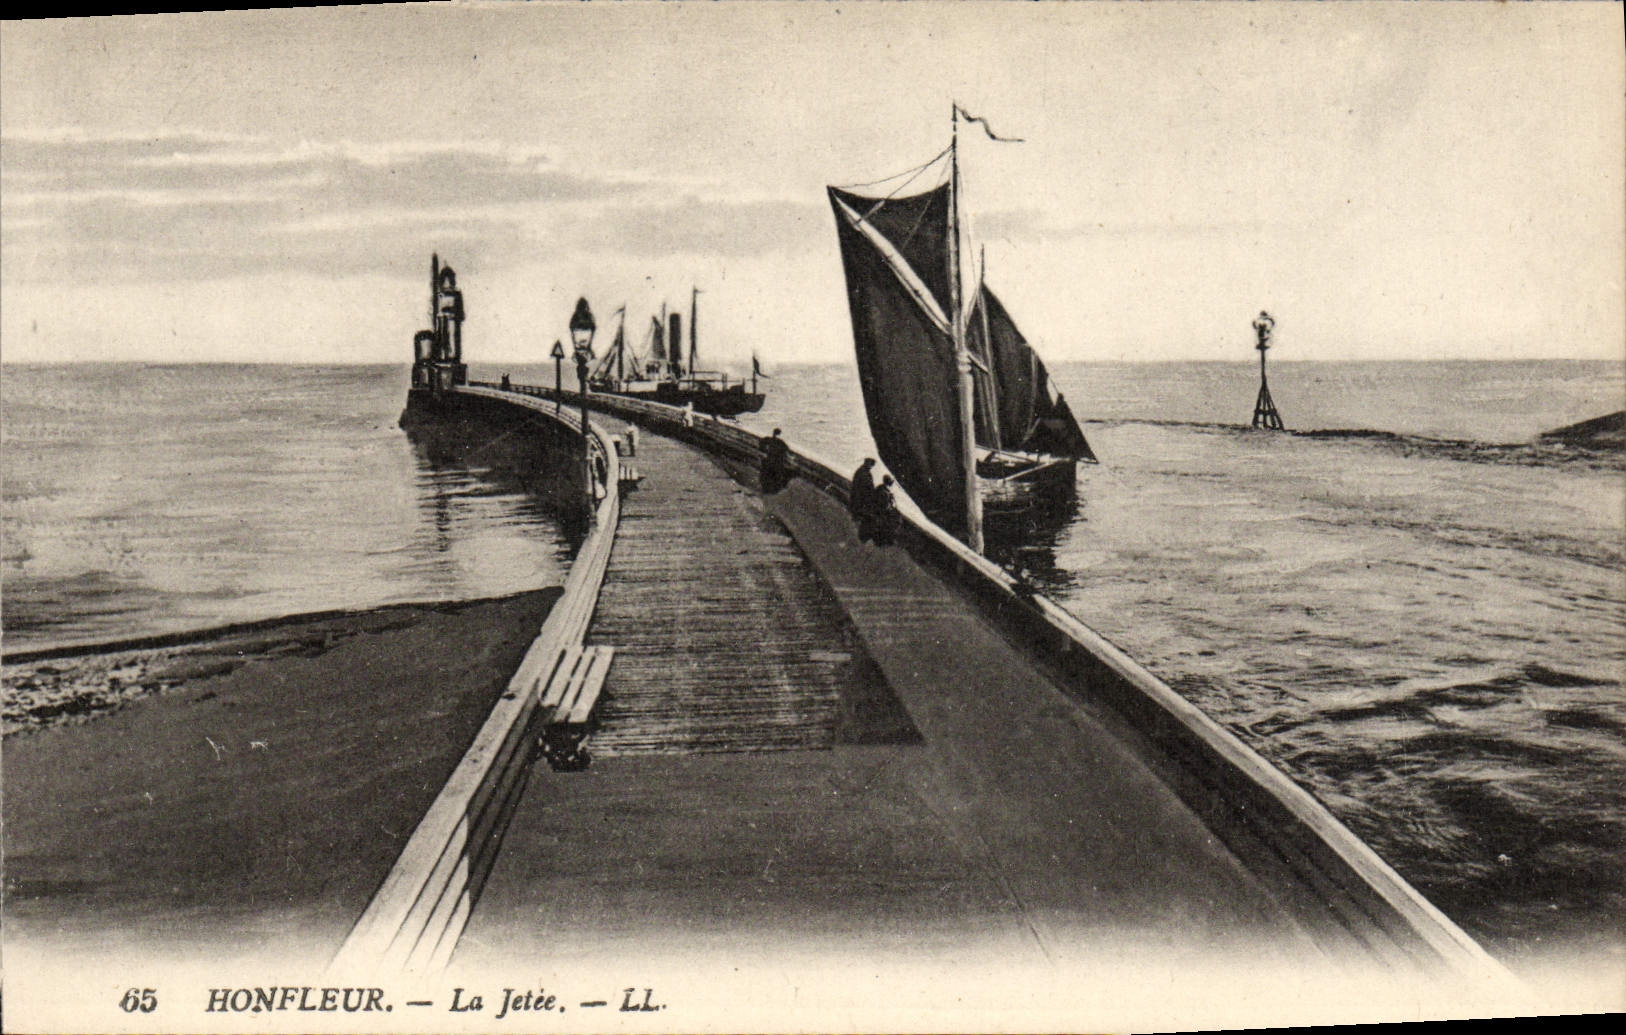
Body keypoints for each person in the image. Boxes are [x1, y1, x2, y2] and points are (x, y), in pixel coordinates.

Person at [849, 458, 877, 542]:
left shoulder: (865, 472)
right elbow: (859, 487)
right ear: (866, 463)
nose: (871, 466)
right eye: (870, 464)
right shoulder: (862, 472)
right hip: (860, 498)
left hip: (862, 499)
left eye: (872, 465)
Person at [872, 474, 901, 546]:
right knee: (895, 519)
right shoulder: (885, 492)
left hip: (878, 510)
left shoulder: (881, 488)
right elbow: (885, 506)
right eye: (890, 482)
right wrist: (890, 503)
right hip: (881, 512)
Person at [760, 428, 792, 493]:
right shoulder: (780, 442)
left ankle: (768, 488)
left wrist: (764, 450)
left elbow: (761, 443)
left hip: (771, 460)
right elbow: (786, 450)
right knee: (775, 474)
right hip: (775, 461)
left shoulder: (769, 440)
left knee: (768, 473)